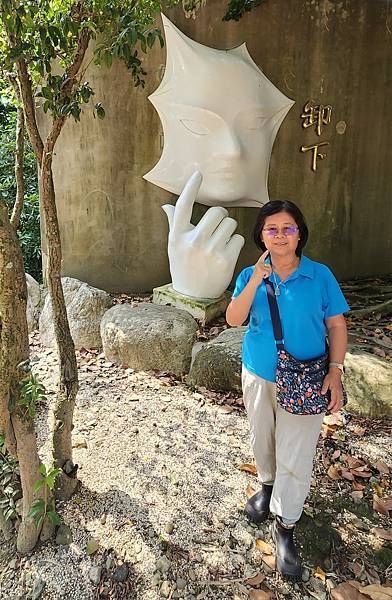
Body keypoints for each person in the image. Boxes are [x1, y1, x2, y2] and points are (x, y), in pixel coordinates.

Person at [226, 200, 349, 580]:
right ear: (261, 235)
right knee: (262, 438)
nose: (280, 235)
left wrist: (336, 371)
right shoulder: (251, 273)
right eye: (271, 229)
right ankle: (266, 485)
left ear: (300, 234)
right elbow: (234, 318)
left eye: (288, 228)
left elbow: (337, 327)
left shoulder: (320, 275)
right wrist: (256, 280)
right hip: (260, 374)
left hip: (308, 377)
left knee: (296, 453)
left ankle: (285, 525)